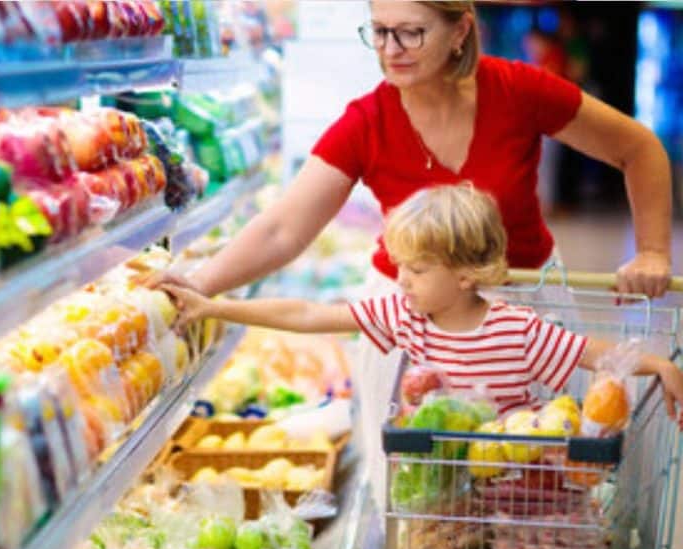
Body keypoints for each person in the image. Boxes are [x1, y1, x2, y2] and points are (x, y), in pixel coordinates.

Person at [140, 0, 674, 507]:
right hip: (413, 321)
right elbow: (284, 230)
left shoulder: (517, 89)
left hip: (526, 313)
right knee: (421, 498)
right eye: (378, 32)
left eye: (410, 32)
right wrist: (200, 285)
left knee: (540, 484)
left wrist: (652, 251)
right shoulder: (367, 120)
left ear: (460, 30)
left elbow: (637, 148)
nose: (390, 48)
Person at [160, 183, 683, 425]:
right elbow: (307, 314)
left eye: (416, 269)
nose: (400, 279)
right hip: (437, 497)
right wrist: (214, 306)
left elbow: (592, 352)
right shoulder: (404, 316)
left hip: (514, 494)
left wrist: (659, 363)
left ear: (465, 275)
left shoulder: (517, 329)